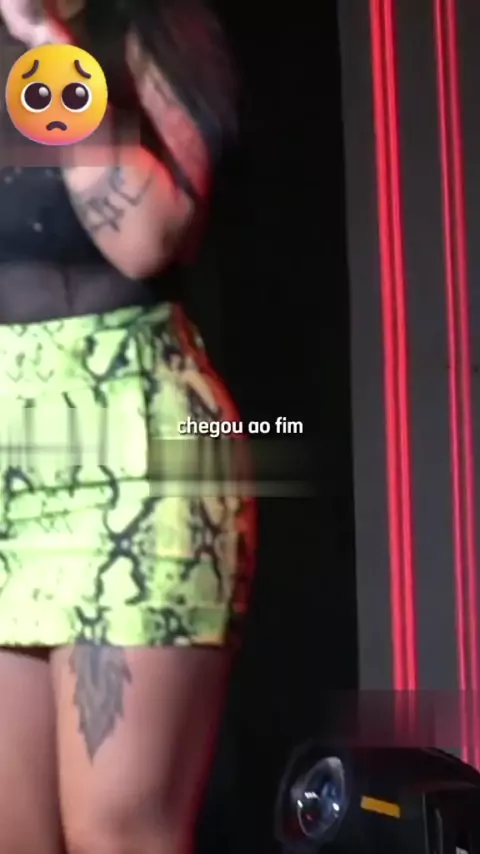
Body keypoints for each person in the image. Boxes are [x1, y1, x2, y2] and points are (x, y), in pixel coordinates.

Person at [0, 1, 255, 852]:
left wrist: (48, 49)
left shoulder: (148, 28)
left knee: (117, 829)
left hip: (133, 455)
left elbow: (146, 238)